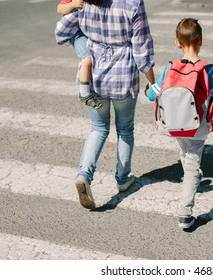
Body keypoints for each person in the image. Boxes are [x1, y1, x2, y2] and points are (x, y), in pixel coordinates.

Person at [55, 0, 155, 209]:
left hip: (94, 77)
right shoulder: (133, 3)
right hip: (123, 76)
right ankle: (122, 179)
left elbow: (61, 33)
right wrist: (152, 82)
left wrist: (85, 49)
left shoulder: (86, 1)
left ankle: (84, 175)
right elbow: (141, 47)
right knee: (125, 129)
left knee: (98, 129)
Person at [145, 18, 213, 229]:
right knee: (192, 166)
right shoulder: (207, 69)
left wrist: (148, 89)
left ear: (177, 43)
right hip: (197, 126)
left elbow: (153, 95)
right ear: (201, 41)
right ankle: (185, 213)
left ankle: (193, 176)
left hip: (174, 125)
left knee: (184, 154)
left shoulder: (171, 68)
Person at [57, 0, 102, 109]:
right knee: (87, 59)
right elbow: (60, 9)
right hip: (76, 33)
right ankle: (85, 94)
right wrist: (73, 4)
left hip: (93, 31)